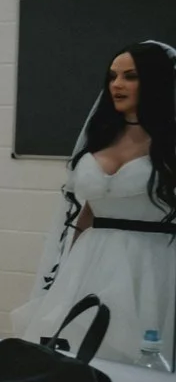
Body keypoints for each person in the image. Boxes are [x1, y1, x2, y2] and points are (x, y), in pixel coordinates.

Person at [16, 41, 176, 364]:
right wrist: (62, 271)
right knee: (75, 353)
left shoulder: (169, 143)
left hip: (151, 263)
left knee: (140, 357)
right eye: (113, 76)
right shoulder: (100, 137)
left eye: (130, 76)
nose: (117, 85)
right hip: (88, 261)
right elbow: (86, 212)